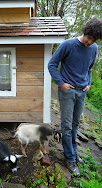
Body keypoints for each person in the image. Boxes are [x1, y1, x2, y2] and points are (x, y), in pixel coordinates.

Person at [48, 18, 102, 177]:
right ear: (85, 32)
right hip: (68, 91)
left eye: (94, 40)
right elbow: (52, 64)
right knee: (66, 126)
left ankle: (73, 152)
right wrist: (61, 83)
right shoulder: (68, 45)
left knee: (75, 124)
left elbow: (89, 68)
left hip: (82, 91)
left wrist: (89, 83)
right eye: (89, 38)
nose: (90, 42)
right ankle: (70, 159)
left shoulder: (94, 48)